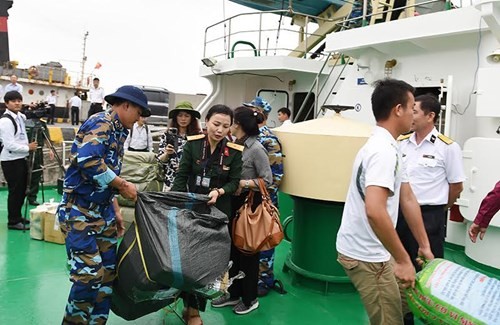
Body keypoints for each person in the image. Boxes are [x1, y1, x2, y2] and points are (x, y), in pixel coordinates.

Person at [336, 79, 434, 325]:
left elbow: (408, 197)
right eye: (412, 106)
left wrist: (423, 245)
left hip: (378, 250)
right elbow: (375, 210)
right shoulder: (383, 151)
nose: (414, 112)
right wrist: (402, 260)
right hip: (366, 255)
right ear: (397, 110)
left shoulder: (392, 146)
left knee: (404, 303)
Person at [57, 85, 150, 324]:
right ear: (125, 105)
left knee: (107, 275)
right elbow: (89, 161)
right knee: (89, 276)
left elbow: (108, 173)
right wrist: (122, 185)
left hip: (104, 211)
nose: (140, 118)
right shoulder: (102, 123)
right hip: (79, 210)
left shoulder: (121, 130)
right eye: (139, 112)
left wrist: (116, 209)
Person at [171, 104, 243, 325]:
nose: (219, 130)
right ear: (206, 122)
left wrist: (219, 191)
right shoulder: (193, 146)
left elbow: (234, 182)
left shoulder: (234, 152)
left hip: (218, 214)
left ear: (230, 127)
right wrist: (177, 204)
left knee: (207, 262)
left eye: (225, 126)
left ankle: (194, 309)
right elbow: (181, 177)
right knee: (187, 260)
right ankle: (190, 309)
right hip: (192, 210)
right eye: (216, 124)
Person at [211, 106, 272, 315]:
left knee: (248, 254)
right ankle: (233, 292)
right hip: (233, 205)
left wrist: (244, 183)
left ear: (240, 125)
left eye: (232, 122)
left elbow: (268, 180)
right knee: (232, 252)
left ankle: (249, 298)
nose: (228, 126)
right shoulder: (234, 145)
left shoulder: (256, 149)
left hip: (249, 206)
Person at [244, 96, 284, 296]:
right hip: (247, 197)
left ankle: (264, 280)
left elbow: (276, 176)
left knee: (265, 240)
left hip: (262, 198)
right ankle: (248, 276)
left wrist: (262, 199)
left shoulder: (268, 139)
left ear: (259, 114)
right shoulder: (248, 136)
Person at [0, 91, 37, 230]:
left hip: (20, 158)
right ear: (6, 103)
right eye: (13, 101)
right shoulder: (5, 121)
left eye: (19, 100)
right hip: (10, 160)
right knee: (15, 190)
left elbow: (25, 117)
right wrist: (28, 148)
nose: (17, 103)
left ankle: (18, 215)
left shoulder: (19, 117)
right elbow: (9, 144)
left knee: (22, 190)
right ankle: (13, 221)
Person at [157, 101, 201, 190]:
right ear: (175, 117)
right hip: (171, 179)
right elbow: (160, 161)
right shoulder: (167, 135)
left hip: (190, 180)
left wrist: (184, 167)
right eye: (180, 115)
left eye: (187, 116)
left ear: (191, 118)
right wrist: (167, 153)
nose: (183, 119)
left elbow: (201, 159)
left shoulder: (197, 137)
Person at [25, 114, 54, 206]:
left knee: (37, 174)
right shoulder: (24, 122)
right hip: (24, 151)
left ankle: (32, 197)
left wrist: (51, 149)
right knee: (23, 175)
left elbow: (46, 138)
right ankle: (21, 196)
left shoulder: (42, 124)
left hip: (38, 152)